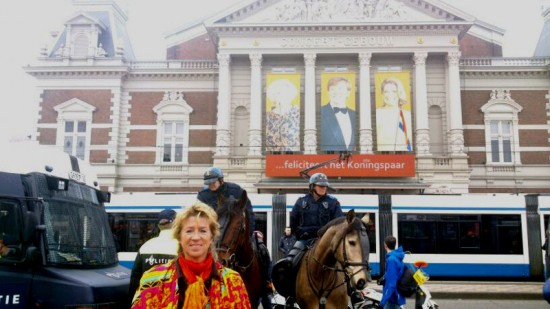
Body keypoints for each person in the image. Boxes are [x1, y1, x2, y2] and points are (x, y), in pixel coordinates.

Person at [131, 202, 251, 308]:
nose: (196, 237)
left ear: (211, 237)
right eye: (189, 231)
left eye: (203, 231)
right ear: (179, 237)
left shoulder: (233, 281)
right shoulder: (153, 279)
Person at [129, 208, 179, 298]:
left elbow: (135, 279)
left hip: (147, 301)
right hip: (171, 302)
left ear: (159, 225)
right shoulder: (182, 247)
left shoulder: (145, 247)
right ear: (175, 223)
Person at [290, 173, 344, 249]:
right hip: (304, 240)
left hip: (326, 240)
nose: (324, 188)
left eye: (325, 186)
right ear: (312, 186)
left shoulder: (333, 202)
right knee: (290, 258)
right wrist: (297, 236)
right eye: (321, 186)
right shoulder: (301, 201)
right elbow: (293, 222)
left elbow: (339, 222)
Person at [197, 167, 255, 234]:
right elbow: (199, 217)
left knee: (257, 242)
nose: (211, 185)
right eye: (209, 183)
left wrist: (250, 232)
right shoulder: (203, 195)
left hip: (235, 231)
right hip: (213, 231)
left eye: (213, 182)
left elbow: (248, 211)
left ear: (221, 180)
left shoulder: (236, 190)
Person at [376, 77, 413, 152]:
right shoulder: (378, 113)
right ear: (382, 94)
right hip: (382, 155)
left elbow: (408, 140)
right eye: (386, 91)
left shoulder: (407, 115)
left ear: (400, 93)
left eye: (394, 91)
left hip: (402, 156)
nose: (390, 95)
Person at [320, 76, 356, 152]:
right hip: (328, 160)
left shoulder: (354, 115)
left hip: (353, 162)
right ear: (328, 92)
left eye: (340, 88)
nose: (336, 92)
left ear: (348, 93)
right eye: (333, 89)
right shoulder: (321, 112)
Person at [266, 77, 300, 152]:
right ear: (274, 96)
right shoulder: (269, 116)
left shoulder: (296, 112)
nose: (282, 96)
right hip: (274, 157)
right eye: (279, 93)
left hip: (292, 158)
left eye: (286, 93)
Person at [379, 235, 406, 309]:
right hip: (395, 296)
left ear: (385, 245)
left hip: (392, 299)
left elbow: (392, 284)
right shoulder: (397, 257)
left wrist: (382, 302)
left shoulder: (391, 260)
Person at [254, 230, 273, 309]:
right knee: (266, 300)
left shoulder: (252, 248)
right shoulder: (263, 247)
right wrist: (268, 280)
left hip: (256, 281)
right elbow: (268, 265)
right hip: (263, 280)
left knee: (256, 300)